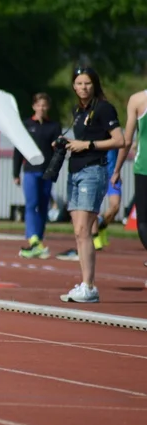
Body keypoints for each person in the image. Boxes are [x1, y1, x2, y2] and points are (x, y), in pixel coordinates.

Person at [56, 66, 123, 304]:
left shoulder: (104, 108)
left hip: (93, 171)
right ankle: (85, 284)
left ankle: (89, 285)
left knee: (84, 230)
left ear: (94, 85)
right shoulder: (78, 110)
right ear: (73, 86)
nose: (83, 87)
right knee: (78, 231)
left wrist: (88, 146)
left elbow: (119, 140)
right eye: (79, 83)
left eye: (87, 83)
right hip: (74, 171)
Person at [13, 93, 62, 259]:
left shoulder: (54, 127)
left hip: (46, 171)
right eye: (39, 105)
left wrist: (54, 170)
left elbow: (58, 152)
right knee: (31, 204)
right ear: (34, 106)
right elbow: (18, 150)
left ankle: (38, 241)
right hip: (30, 171)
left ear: (48, 107)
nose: (41, 108)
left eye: (44, 105)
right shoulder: (26, 125)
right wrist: (15, 173)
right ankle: (32, 238)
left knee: (43, 206)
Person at [115, 89, 147, 264]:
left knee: (144, 222)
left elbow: (127, 139)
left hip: (144, 166)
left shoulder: (137, 99)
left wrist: (117, 169)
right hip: (144, 167)